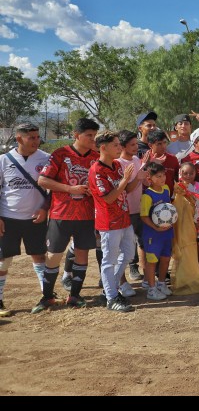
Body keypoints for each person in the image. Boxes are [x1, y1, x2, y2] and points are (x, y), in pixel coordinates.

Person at [36, 117, 100, 312]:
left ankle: (75, 295)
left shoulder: (96, 157)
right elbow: (43, 180)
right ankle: (47, 297)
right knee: (54, 255)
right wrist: (70, 188)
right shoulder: (60, 154)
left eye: (94, 135)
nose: (92, 139)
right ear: (76, 135)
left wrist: (92, 191)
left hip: (86, 215)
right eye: (89, 135)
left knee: (82, 254)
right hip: (61, 214)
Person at [0, 123, 51, 317]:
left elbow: (53, 189)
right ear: (19, 138)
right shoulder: (3, 160)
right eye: (31, 138)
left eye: (37, 137)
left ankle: (47, 296)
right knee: (3, 260)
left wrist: (44, 209)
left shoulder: (46, 159)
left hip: (35, 219)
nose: (36, 141)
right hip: (8, 218)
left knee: (39, 256)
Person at [88, 131, 136, 312]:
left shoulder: (116, 165)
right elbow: (108, 198)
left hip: (124, 218)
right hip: (109, 222)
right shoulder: (96, 170)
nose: (119, 148)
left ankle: (111, 288)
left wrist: (136, 178)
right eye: (115, 145)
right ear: (103, 148)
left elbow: (126, 190)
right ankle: (111, 297)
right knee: (109, 260)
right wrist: (124, 180)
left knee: (129, 254)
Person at [116, 130, 149, 294]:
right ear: (122, 146)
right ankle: (121, 282)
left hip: (139, 208)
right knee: (123, 248)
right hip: (125, 211)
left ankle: (147, 277)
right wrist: (139, 177)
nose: (136, 147)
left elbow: (142, 182)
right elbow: (126, 189)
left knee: (143, 242)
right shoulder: (117, 163)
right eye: (132, 145)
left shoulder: (136, 159)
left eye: (136, 143)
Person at [140, 161, 174, 301]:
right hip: (153, 234)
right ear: (150, 178)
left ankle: (161, 284)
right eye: (158, 176)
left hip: (167, 232)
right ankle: (152, 289)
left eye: (163, 175)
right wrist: (155, 227)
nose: (162, 178)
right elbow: (144, 216)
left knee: (166, 258)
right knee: (152, 260)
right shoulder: (147, 195)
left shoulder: (166, 189)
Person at [178, 162, 199, 277]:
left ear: (195, 173)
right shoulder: (178, 187)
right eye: (185, 173)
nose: (188, 176)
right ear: (180, 173)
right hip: (184, 225)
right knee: (186, 250)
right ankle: (188, 275)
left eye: (191, 173)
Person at [146, 129, 181, 194]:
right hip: (150, 198)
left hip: (169, 198)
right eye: (159, 144)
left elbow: (178, 179)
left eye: (165, 142)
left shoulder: (173, 159)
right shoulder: (145, 160)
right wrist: (149, 163)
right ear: (150, 145)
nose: (163, 146)